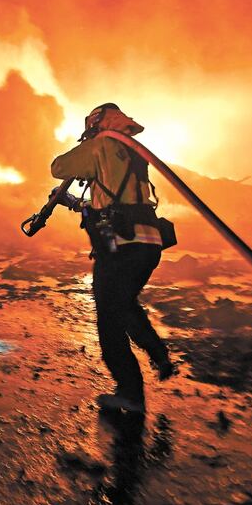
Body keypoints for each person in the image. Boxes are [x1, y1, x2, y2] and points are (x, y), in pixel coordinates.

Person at [51, 103, 175, 414]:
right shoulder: (134, 151)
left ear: (97, 124)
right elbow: (114, 202)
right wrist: (76, 204)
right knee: (125, 304)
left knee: (109, 319)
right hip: (148, 244)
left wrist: (88, 146)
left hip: (121, 246)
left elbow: (59, 167)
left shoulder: (101, 146)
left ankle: (130, 393)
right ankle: (159, 355)